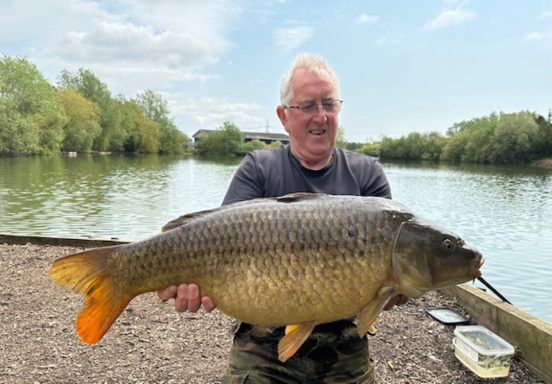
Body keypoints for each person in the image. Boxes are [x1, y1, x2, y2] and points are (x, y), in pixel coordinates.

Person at [158, 53, 407, 383]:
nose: (320, 116)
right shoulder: (258, 169)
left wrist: (396, 289)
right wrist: (190, 282)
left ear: (338, 110)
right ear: (284, 117)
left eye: (329, 104)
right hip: (261, 342)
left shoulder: (367, 177)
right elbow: (212, 247)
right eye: (307, 105)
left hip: (345, 343)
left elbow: (383, 293)